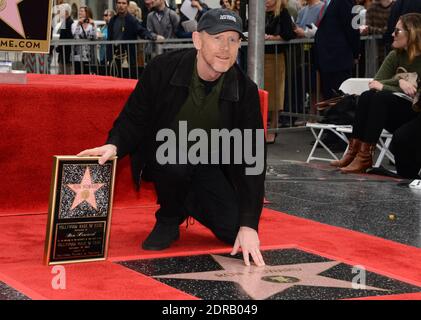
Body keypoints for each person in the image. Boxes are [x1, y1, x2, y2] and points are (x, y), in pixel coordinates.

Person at [78, 9, 266, 267]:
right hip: (167, 156)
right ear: (197, 40)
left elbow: (252, 160)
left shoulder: (245, 91)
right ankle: (169, 216)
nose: (226, 47)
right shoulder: (162, 69)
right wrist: (115, 145)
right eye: (217, 38)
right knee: (174, 159)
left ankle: (188, 200)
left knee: (233, 232)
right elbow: (135, 116)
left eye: (233, 40)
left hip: (210, 166)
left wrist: (248, 224)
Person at [331, 13, 421, 174]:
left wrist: (388, 85)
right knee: (368, 96)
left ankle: (364, 157)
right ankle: (356, 154)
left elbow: (406, 91)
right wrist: (400, 80)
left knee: (380, 97)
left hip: (416, 111)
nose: (392, 34)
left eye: (397, 31)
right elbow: (375, 83)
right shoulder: (396, 55)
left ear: (412, 33)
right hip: (401, 109)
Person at [314, 0, 360, 100]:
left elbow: (353, 29)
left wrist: (356, 53)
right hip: (327, 59)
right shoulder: (328, 3)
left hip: (339, 59)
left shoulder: (345, 2)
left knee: (342, 100)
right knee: (330, 100)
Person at [264, 0, 296, 143]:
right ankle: (263, 127)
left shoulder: (283, 13)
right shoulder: (259, 14)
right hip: (258, 57)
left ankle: (273, 128)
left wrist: (273, 38)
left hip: (275, 58)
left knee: (275, 95)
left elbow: (288, 34)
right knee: (261, 93)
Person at [107, 0, 159, 78]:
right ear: (116, 5)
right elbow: (109, 39)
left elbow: (141, 31)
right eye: (119, 3)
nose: (121, 5)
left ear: (127, 5)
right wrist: (108, 56)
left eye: (123, 3)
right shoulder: (112, 20)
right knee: (114, 79)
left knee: (128, 79)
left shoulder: (132, 20)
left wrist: (154, 36)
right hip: (114, 56)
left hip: (127, 57)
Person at [71, 5, 97, 75]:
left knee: (87, 75)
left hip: (88, 56)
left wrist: (93, 25)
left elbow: (94, 37)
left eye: (82, 11)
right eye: (79, 11)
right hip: (77, 56)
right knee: (78, 75)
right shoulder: (74, 24)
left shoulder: (91, 25)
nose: (80, 13)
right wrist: (78, 25)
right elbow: (75, 37)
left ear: (87, 13)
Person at [56, 3, 74, 74]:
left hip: (66, 56)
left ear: (65, 12)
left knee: (66, 75)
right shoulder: (64, 22)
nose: (59, 12)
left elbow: (68, 38)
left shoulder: (70, 22)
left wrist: (59, 48)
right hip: (62, 55)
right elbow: (62, 37)